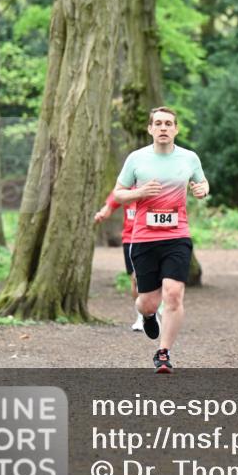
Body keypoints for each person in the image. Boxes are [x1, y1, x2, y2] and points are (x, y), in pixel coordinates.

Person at [112, 106, 209, 373]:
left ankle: (163, 353)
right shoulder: (136, 159)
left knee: (174, 294)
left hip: (177, 236)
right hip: (143, 238)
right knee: (148, 302)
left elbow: (202, 183)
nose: (163, 128)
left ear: (176, 129)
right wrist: (140, 192)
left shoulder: (189, 158)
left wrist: (202, 190)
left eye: (168, 123)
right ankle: (147, 315)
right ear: (150, 129)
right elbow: (118, 194)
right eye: (158, 123)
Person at [93, 192, 147, 331]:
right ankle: (141, 316)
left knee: (154, 279)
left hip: (152, 237)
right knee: (136, 278)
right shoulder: (126, 187)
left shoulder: (156, 185)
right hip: (131, 239)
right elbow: (113, 200)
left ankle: (154, 308)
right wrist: (103, 212)